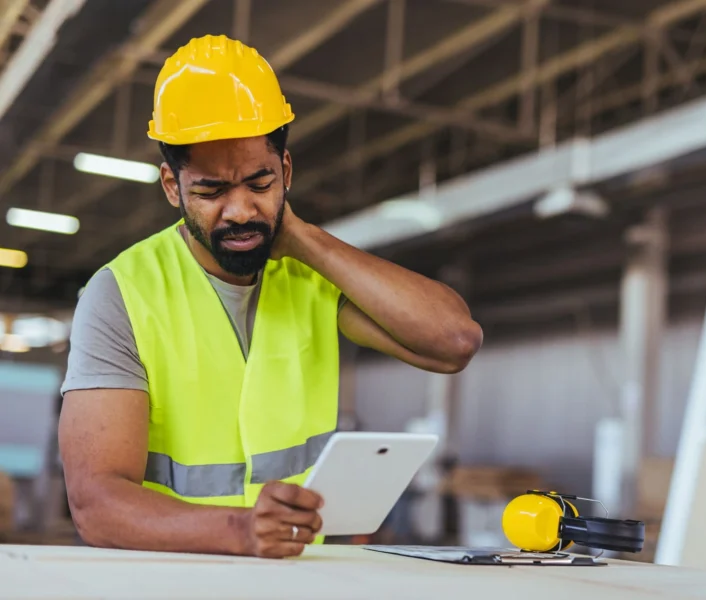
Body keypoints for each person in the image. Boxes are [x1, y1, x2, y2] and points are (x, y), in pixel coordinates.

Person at [57, 35, 482, 559]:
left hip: (294, 580)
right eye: (211, 191)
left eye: (259, 183)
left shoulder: (312, 276)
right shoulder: (122, 293)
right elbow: (96, 503)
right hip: (168, 584)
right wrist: (239, 530)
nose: (238, 211)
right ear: (172, 186)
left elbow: (454, 341)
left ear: (285, 171)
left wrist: (301, 238)